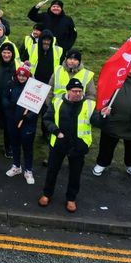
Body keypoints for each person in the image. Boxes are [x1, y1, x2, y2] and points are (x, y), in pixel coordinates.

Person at [39, 78, 97, 213]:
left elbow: (96, 122)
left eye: (80, 91)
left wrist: (104, 116)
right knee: (52, 170)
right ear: (68, 91)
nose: (77, 94)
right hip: (59, 143)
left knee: (75, 173)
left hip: (78, 145)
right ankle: (47, 194)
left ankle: (71, 199)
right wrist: (56, 131)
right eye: (74, 91)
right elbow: (47, 119)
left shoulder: (89, 104)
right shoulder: (57, 102)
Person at [5, 66, 38, 184]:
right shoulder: (11, 84)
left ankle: (28, 170)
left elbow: (37, 105)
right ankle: (16, 166)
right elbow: (5, 98)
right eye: (19, 75)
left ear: (28, 76)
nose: (21, 77)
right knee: (14, 144)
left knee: (27, 147)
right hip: (13, 121)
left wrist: (28, 116)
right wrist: (9, 111)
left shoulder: (34, 88)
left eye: (24, 75)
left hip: (28, 123)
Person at [0, 42, 20, 157]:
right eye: (4, 52)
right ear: (0, 53)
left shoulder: (18, 64)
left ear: (12, 53)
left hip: (11, 101)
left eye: (9, 52)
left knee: (9, 125)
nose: (6, 55)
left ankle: (8, 147)